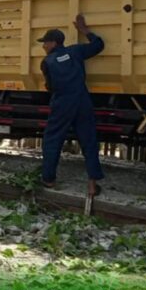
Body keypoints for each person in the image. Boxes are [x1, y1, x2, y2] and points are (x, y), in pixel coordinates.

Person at [39, 14, 105, 197]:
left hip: (62, 102)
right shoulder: (76, 51)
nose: (43, 46)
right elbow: (99, 45)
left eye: (45, 42)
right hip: (82, 100)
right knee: (89, 140)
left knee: (53, 139)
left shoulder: (47, 62)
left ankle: (48, 179)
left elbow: (50, 86)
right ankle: (92, 184)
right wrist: (85, 31)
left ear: (53, 43)